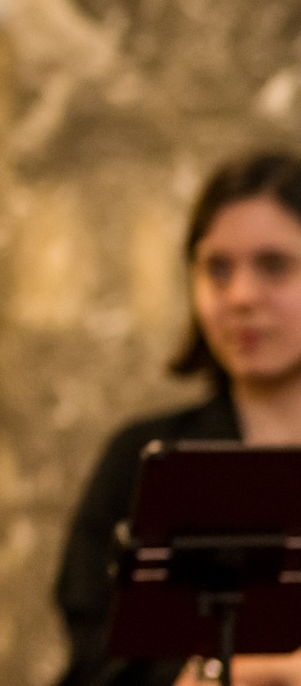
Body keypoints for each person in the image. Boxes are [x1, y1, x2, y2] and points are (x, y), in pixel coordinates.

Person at [56, 152, 301, 686]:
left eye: (274, 265)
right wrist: (258, 673)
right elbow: (94, 658)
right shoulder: (142, 460)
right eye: (217, 269)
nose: (240, 297)